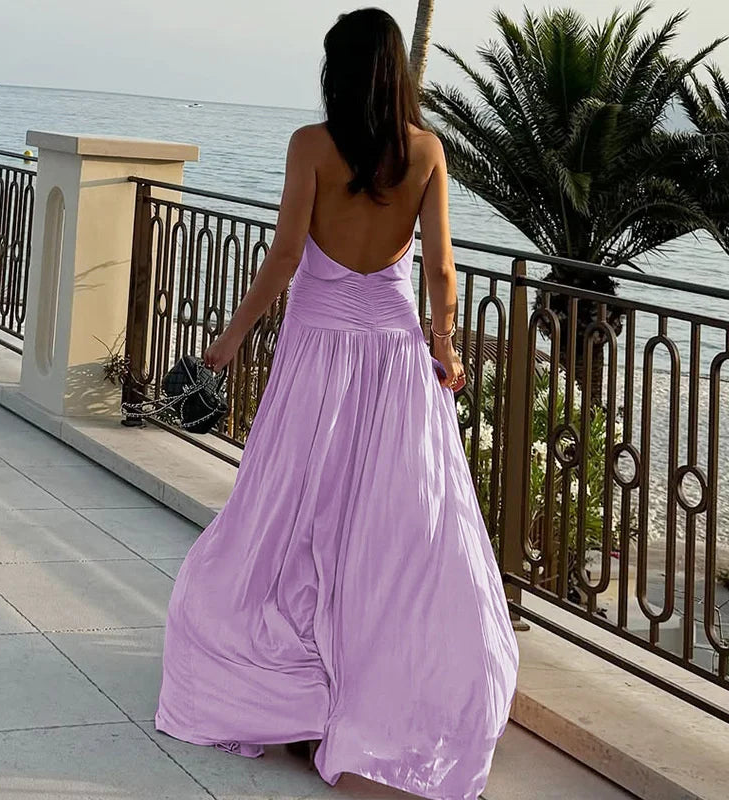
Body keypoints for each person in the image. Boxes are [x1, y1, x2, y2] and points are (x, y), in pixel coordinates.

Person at [155, 7, 519, 800]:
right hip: (393, 357)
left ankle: (289, 688)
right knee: (393, 525)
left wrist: (221, 348)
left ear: (339, 71)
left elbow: (285, 258)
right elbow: (442, 273)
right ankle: (379, 680)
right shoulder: (425, 150)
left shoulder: (309, 147)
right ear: (396, 71)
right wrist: (445, 349)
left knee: (292, 511)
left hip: (317, 354)